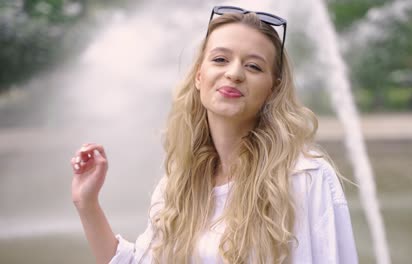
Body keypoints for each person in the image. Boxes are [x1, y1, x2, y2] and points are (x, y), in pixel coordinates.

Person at [70, 6, 358, 264]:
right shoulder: (178, 186)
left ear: (272, 88)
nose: (234, 74)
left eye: (254, 66)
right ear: (199, 76)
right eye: (220, 59)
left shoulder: (304, 177)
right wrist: (87, 203)